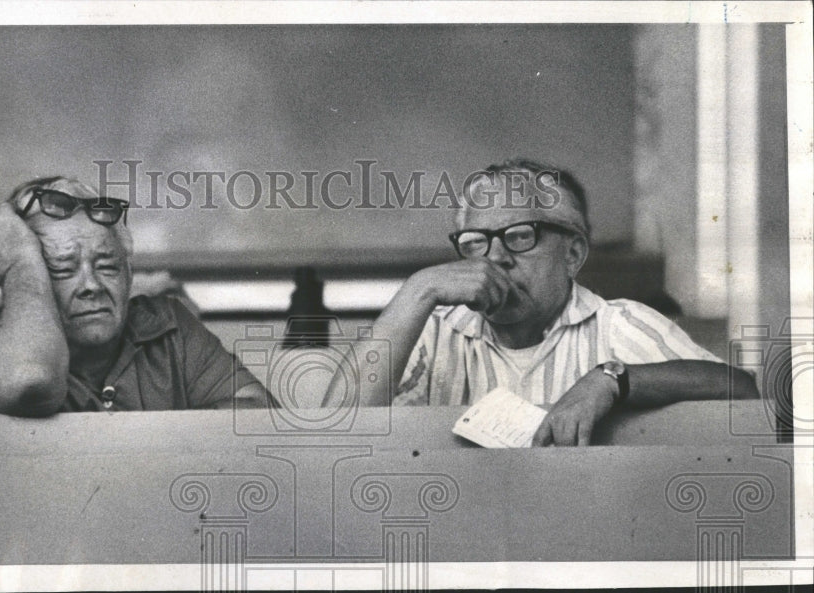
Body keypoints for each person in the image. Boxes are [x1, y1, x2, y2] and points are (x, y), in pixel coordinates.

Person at [323, 158, 759, 445]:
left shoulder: (617, 323)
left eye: (519, 236)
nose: (495, 257)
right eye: (476, 242)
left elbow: (742, 393)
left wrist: (612, 380)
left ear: (573, 254)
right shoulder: (434, 328)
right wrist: (417, 291)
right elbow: (332, 436)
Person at [0, 176, 269, 415]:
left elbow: (259, 416)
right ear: (24, 285)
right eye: (62, 270)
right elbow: (28, 382)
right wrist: (20, 263)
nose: (91, 285)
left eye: (107, 266)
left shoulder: (169, 328)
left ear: (128, 272)